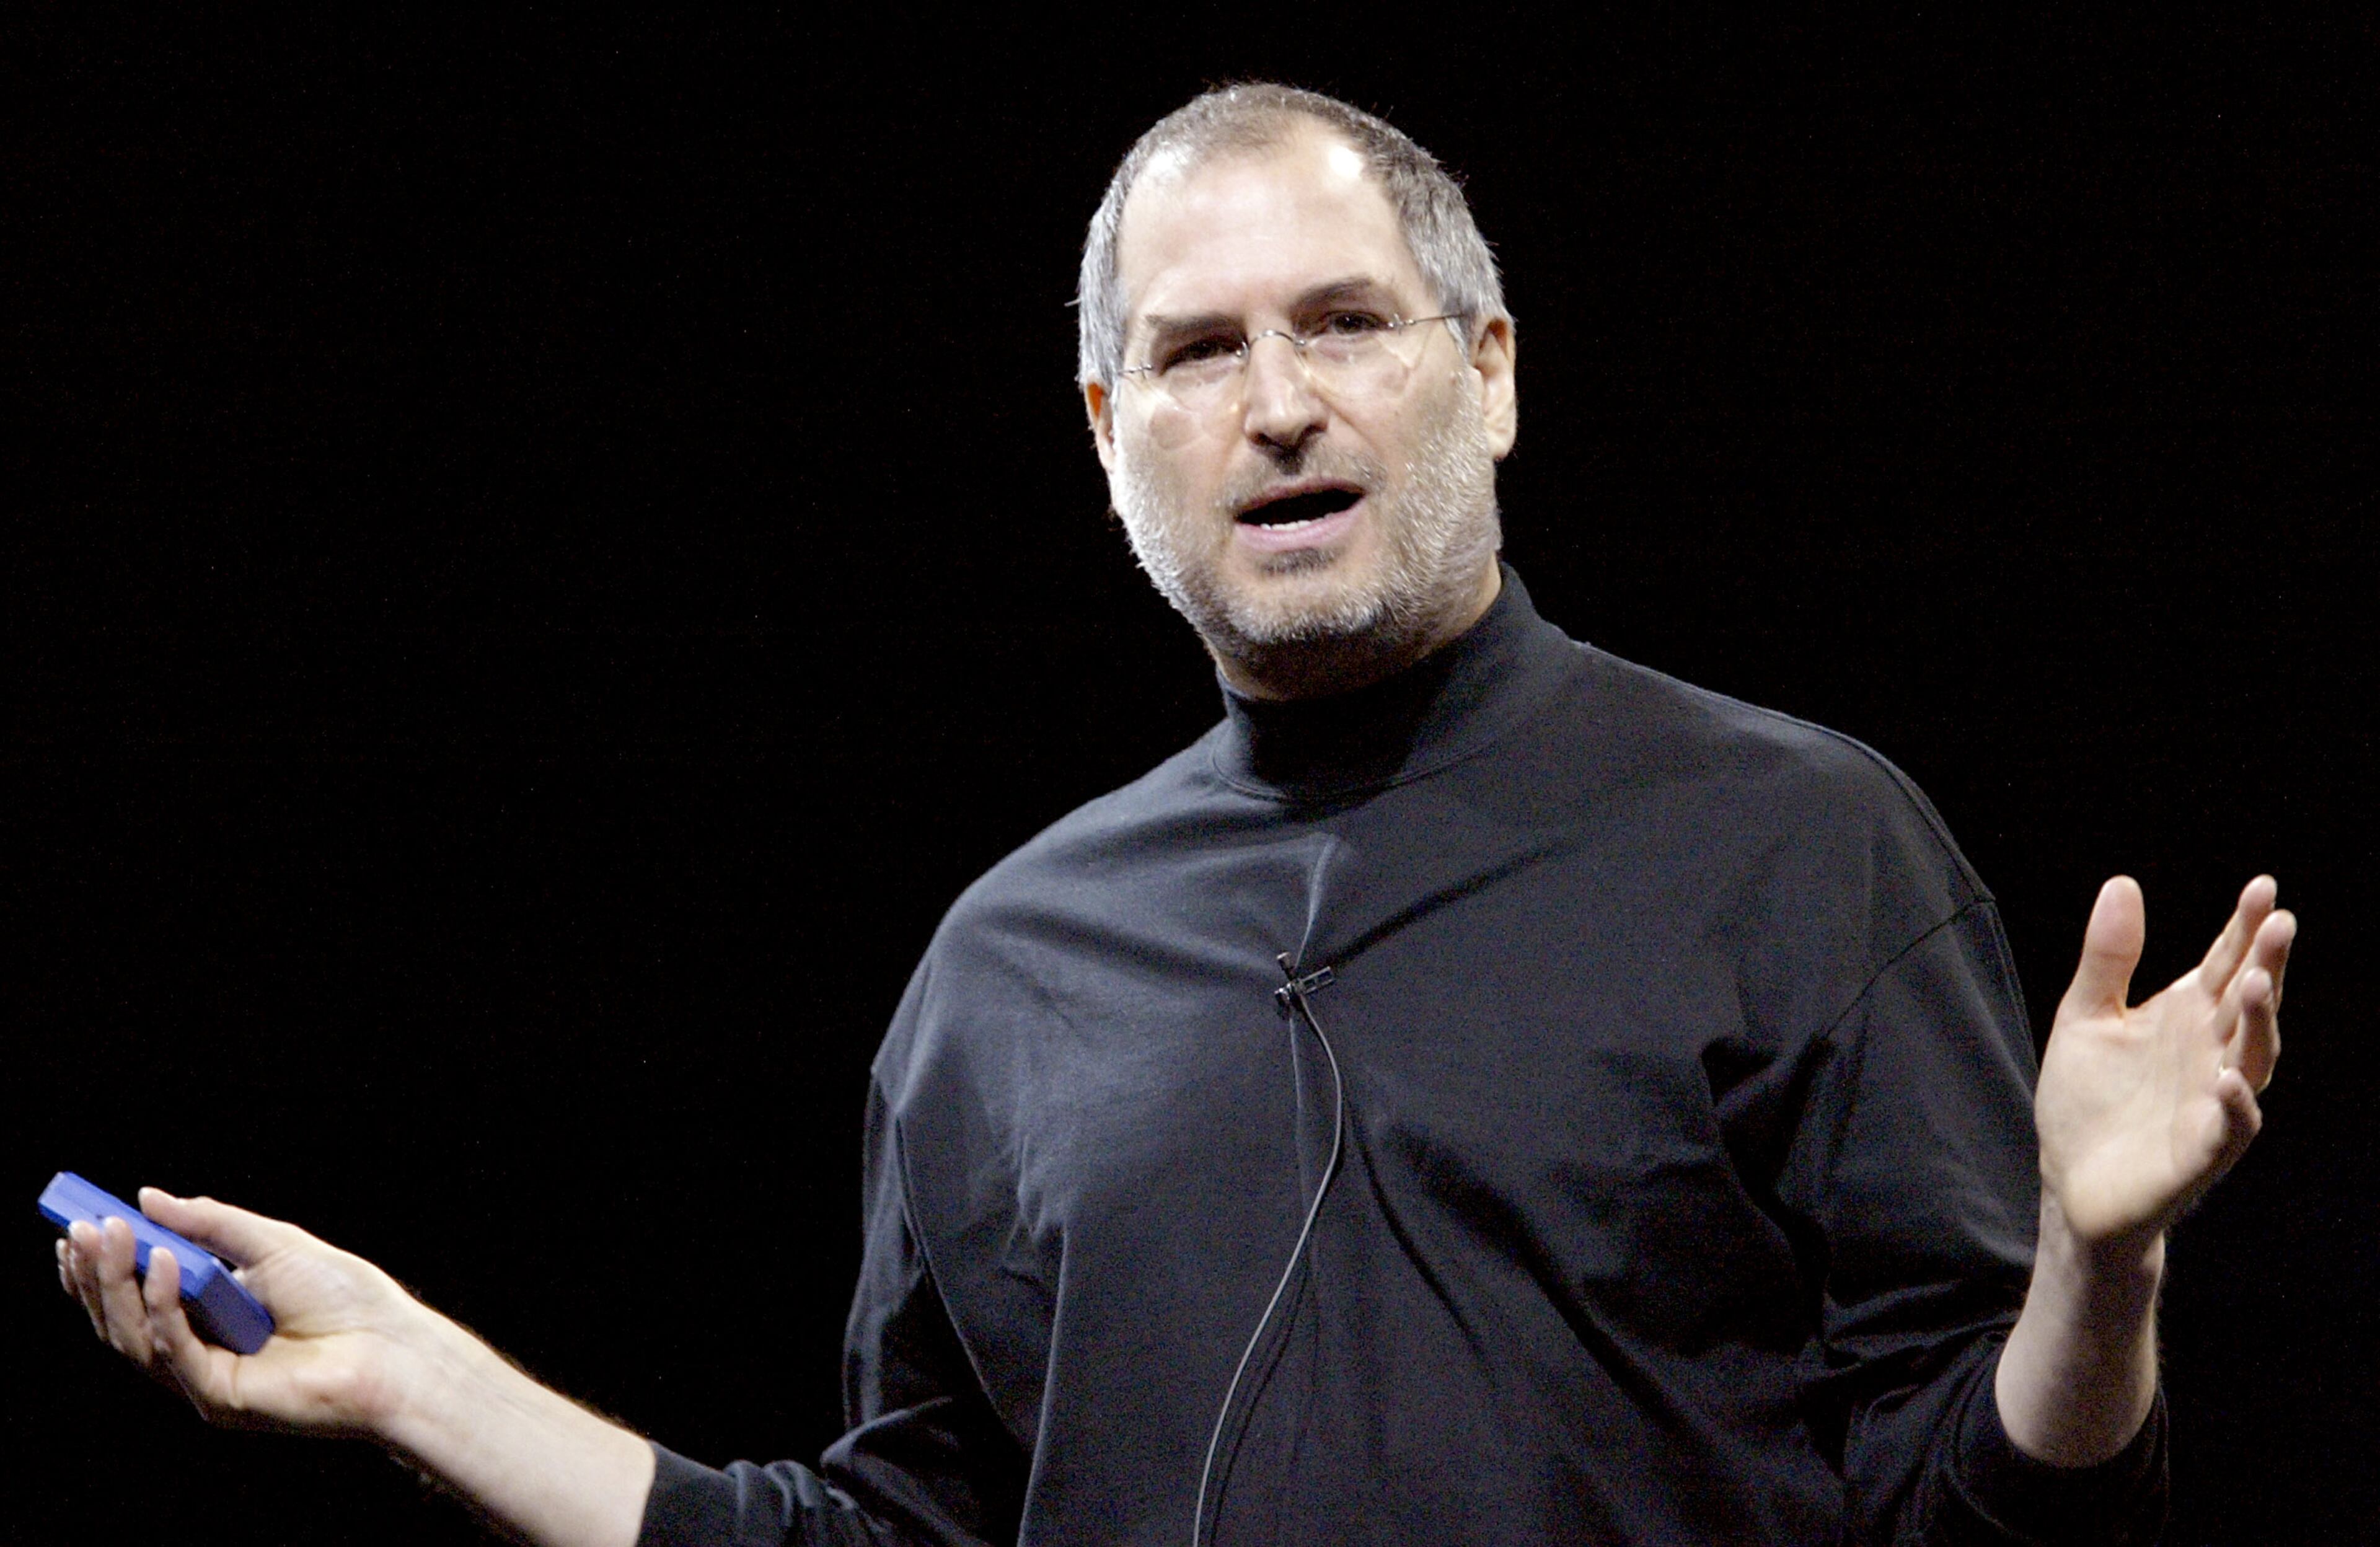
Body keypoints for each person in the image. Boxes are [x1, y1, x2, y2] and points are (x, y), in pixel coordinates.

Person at [58, 84, 2296, 1546]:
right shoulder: (1009, 970)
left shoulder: (1800, 844)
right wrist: (422, 1382)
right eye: (1204, 352)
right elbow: (905, 1534)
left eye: (1348, 322)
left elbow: (1998, 1508)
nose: (1287, 404)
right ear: (1113, 430)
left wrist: (2099, 1268)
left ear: (1492, 374)